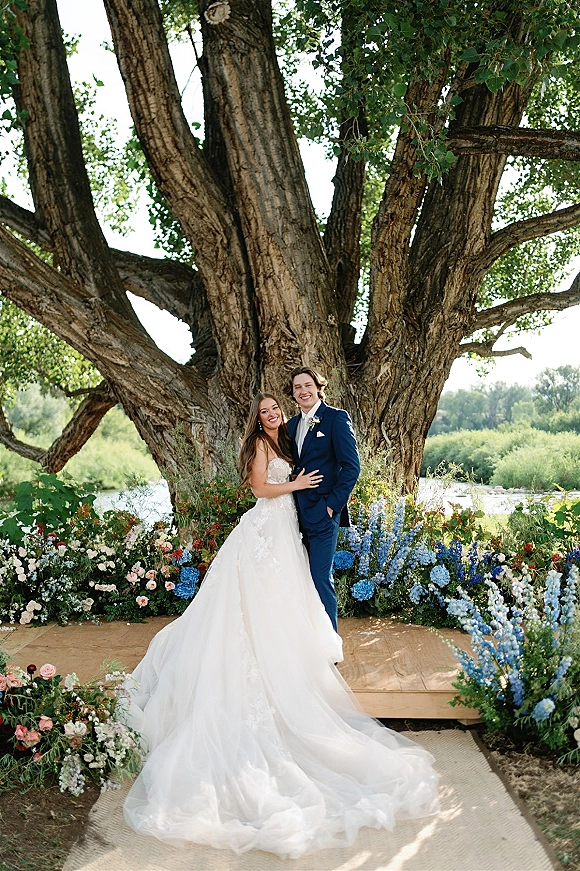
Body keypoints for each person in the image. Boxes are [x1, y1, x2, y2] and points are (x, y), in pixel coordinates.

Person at [122, 393, 439, 860]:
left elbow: (329, 465)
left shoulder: (290, 436)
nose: (272, 415)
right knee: (254, 599)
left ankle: (293, 652)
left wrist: (312, 490)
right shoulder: (260, 446)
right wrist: (295, 485)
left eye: (276, 409)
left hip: (287, 529)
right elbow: (257, 490)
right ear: (258, 417)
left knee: (288, 597)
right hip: (264, 528)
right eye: (266, 411)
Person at [286, 367, 360, 631]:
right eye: (297, 387)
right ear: (293, 394)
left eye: (307, 385)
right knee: (298, 579)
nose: (303, 391)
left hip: (323, 513)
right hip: (293, 514)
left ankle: (330, 645)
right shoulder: (291, 425)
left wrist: (332, 506)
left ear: (318, 387)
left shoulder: (336, 419)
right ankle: (306, 639)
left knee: (320, 578)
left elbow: (351, 467)